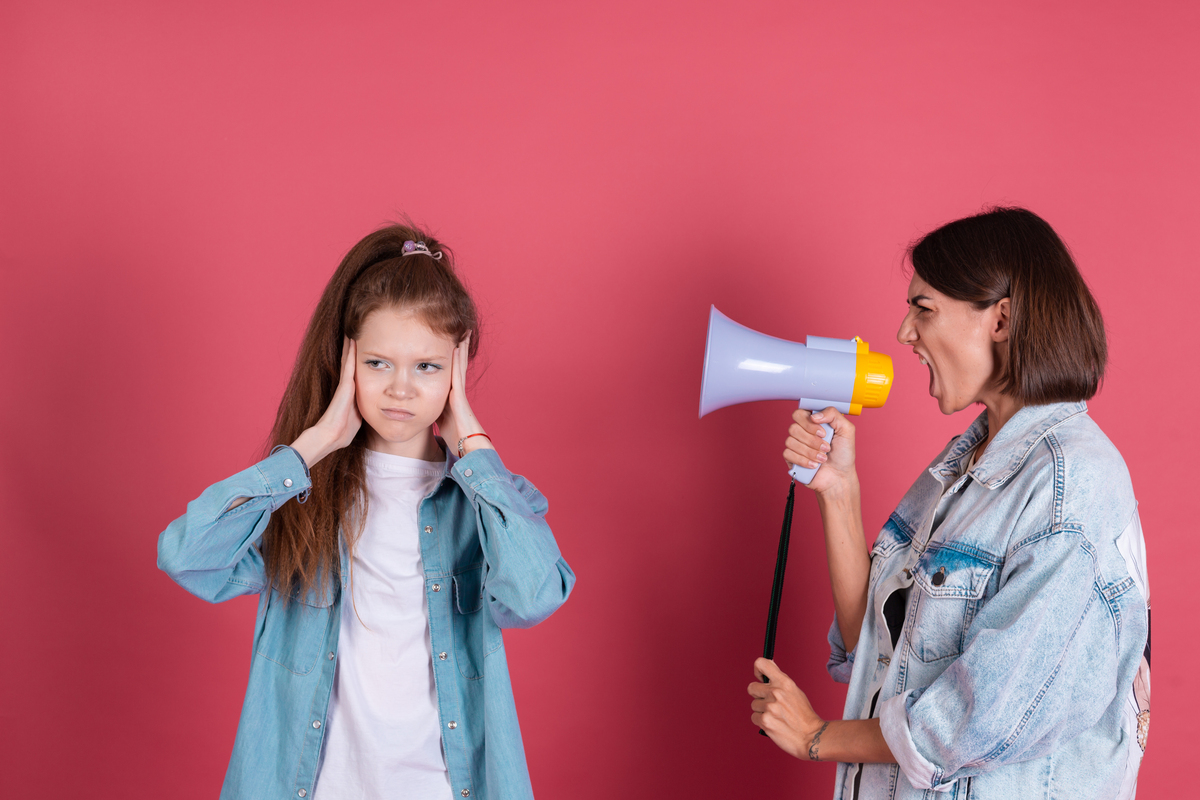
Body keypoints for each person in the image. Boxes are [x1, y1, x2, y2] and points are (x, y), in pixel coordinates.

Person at [158, 224, 575, 800]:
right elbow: (187, 556)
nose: (400, 388)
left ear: (459, 362)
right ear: (345, 358)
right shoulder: (304, 499)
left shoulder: (488, 500)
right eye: (378, 363)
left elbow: (535, 597)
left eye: (427, 366)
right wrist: (308, 449)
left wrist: (475, 447)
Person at [747, 207, 1150, 798]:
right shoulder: (963, 465)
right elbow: (876, 650)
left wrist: (816, 736)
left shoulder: (1073, 485)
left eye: (923, 308)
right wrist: (839, 491)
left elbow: (977, 716)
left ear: (1002, 320)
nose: (904, 332)